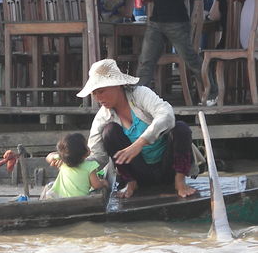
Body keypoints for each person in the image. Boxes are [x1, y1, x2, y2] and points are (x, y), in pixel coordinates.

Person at [78, 58, 198, 200]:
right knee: (109, 132)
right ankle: (131, 183)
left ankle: (179, 181)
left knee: (180, 128)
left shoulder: (140, 94)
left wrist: (140, 143)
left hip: (168, 167)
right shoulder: (102, 117)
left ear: (118, 85)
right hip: (140, 173)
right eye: (94, 93)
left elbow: (167, 114)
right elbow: (98, 156)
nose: (98, 98)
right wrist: (72, 162)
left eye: (101, 91)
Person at [44, 133, 109, 198]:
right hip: (80, 200)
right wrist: (103, 182)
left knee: (49, 187)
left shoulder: (64, 160)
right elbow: (96, 185)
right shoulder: (91, 165)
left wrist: (57, 156)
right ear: (85, 153)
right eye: (86, 145)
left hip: (60, 198)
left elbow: (48, 157)